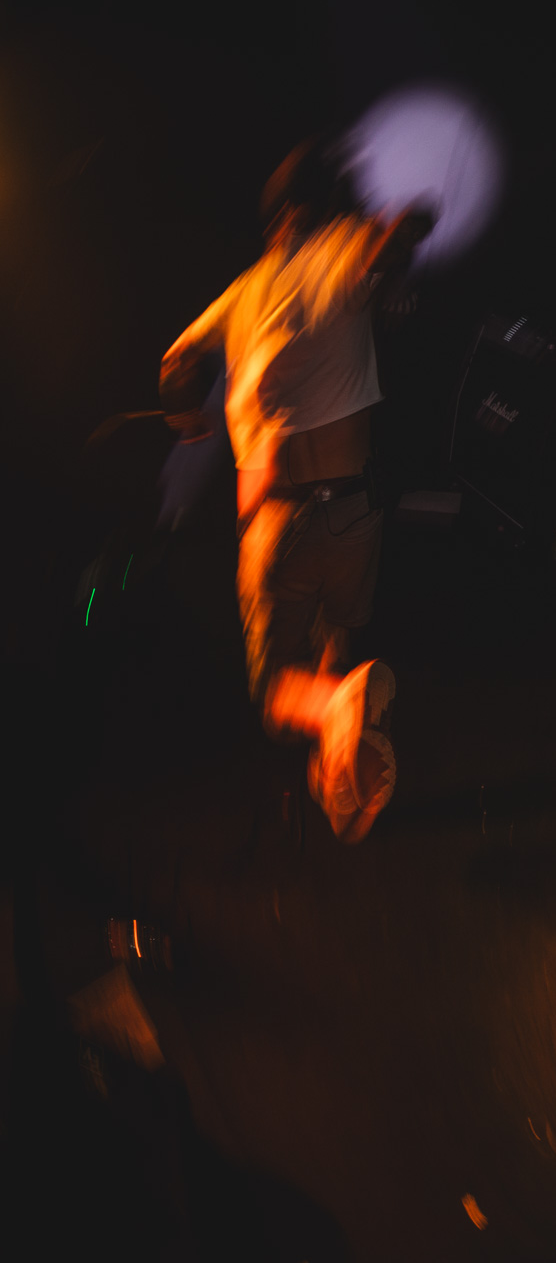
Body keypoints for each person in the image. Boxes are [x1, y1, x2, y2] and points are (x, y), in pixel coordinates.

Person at [159, 141, 429, 841]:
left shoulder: (244, 291)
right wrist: (399, 250)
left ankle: (334, 718)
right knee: (335, 648)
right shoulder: (343, 248)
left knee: (278, 694)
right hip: (355, 510)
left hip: (278, 520)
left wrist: (187, 415)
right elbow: (397, 234)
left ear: (276, 217)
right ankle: (337, 770)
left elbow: (175, 365)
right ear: (324, 207)